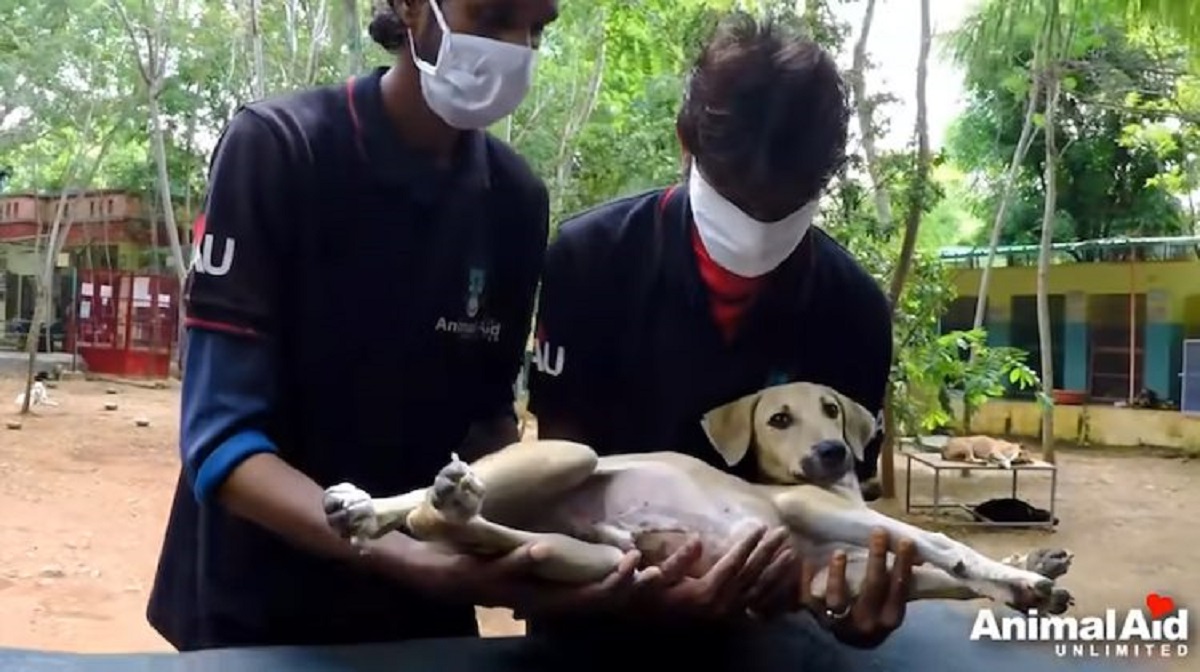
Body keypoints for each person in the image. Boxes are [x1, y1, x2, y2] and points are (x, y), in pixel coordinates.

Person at [145, 0, 648, 652]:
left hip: (418, 622)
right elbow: (221, 441)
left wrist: (558, 535)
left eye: (537, 28)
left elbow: (487, 429)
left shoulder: (516, 199)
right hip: (254, 614)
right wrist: (404, 556)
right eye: (494, 17)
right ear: (410, 8)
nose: (517, 47)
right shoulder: (280, 149)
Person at [527, 13, 916, 648]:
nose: (760, 222)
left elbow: (841, 516)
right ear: (686, 143)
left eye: (787, 202)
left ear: (826, 178)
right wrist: (647, 590)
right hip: (595, 623)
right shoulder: (591, 261)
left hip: (768, 637)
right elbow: (563, 483)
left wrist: (851, 610)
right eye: (738, 196)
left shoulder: (853, 313)